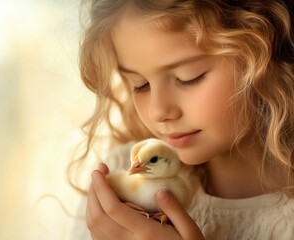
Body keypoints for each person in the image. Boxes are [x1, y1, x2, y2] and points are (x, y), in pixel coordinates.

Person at [68, 0, 294, 239]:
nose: (158, 111)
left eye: (188, 77)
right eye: (140, 85)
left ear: (265, 56)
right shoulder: (121, 179)